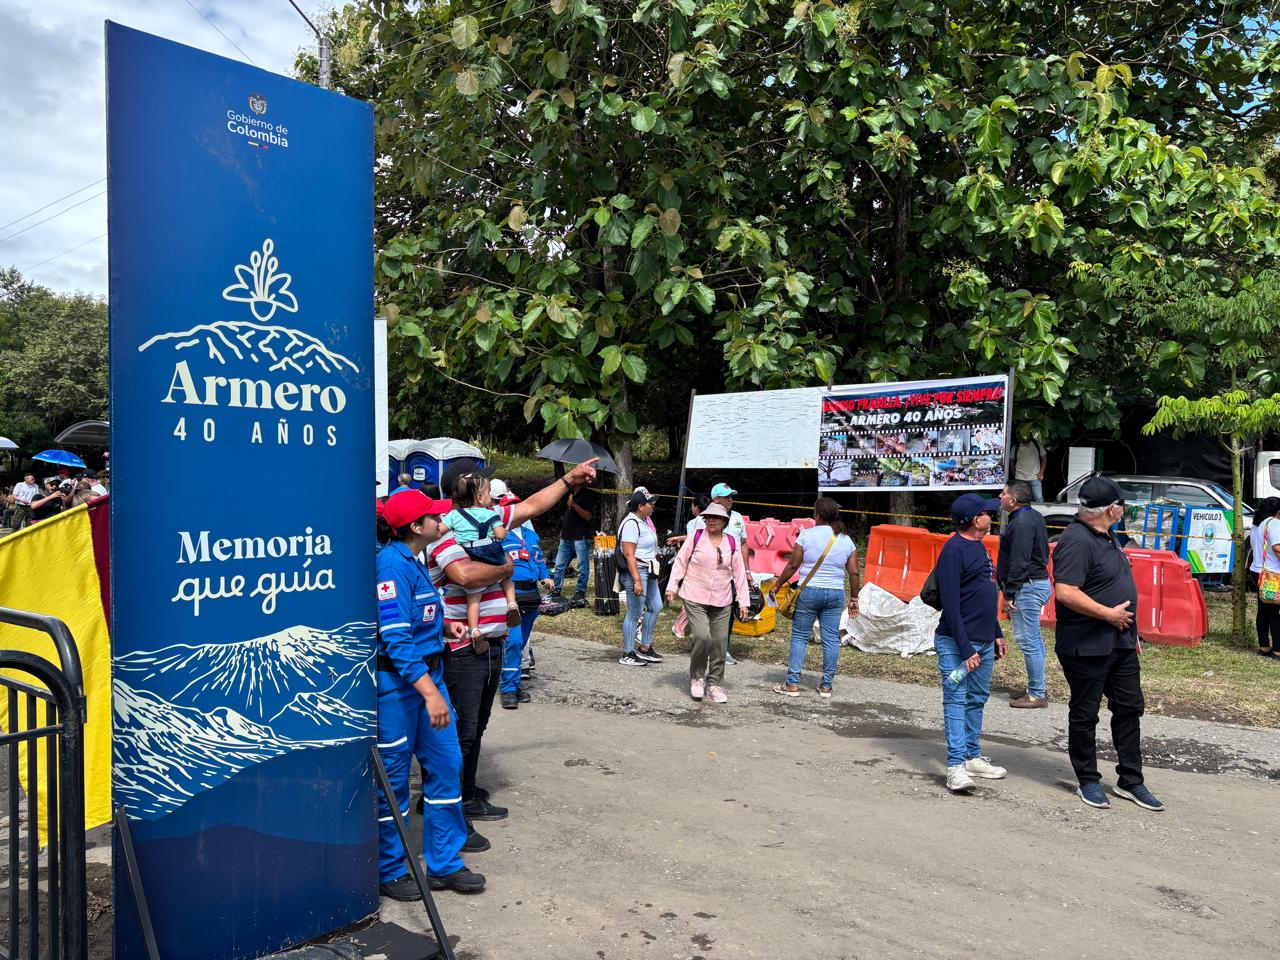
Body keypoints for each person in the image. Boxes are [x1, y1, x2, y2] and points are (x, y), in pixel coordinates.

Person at [426, 457, 599, 827]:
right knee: (463, 731)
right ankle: (449, 804)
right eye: (484, 484)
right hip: (461, 649)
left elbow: (532, 505)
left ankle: (464, 790)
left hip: (490, 643)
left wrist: (570, 478)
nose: (491, 490)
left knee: (477, 726)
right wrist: (506, 568)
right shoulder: (445, 532)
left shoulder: (488, 521)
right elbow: (466, 576)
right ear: (468, 490)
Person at [374, 489, 485, 898]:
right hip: (402, 691)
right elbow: (395, 638)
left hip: (427, 680)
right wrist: (431, 695)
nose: (442, 521)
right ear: (415, 528)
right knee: (395, 783)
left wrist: (443, 628)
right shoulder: (390, 565)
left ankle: (443, 863)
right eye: (434, 518)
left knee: (445, 767)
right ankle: (390, 870)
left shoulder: (416, 558)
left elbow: (415, 620)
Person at [1052, 475, 1164, 812]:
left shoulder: (1108, 536)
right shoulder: (1076, 541)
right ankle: (1088, 779)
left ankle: (1131, 780)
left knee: (1130, 708)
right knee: (1085, 714)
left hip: (1121, 642)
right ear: (1113, 509)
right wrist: (1107, 615)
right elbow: (1065, 591)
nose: (1124, 509)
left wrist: (1131, 633)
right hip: (1087, 645)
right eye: (1123, 504)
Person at [931, 493, 1008, 794]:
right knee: (956, 700)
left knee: (976, 699)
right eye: (988, 513)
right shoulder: (953, 551)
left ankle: (972, 756)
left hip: (984, 641)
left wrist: (997, 632)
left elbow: (983, 599)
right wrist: (966, 649)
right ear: (976, 520)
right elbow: (950, 604)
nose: (992, 516)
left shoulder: (980, 547)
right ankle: (955, 767)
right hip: (956, 642)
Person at [769, 497, 860, 699]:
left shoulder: (806, 535)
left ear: (817, 515)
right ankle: (826, 686)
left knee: (800, 636)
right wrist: (854, 597)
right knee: (830, 640)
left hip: (809, 591)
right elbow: (853, 573)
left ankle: (792, 683)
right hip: (835, 593)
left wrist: (778, 584)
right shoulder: (846, 539)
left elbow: (793, 565)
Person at [665, 503, 749, 703]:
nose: (711, 520)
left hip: (722, 598)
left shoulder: (730, 542)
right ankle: (697, 678)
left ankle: (714, 683)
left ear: (724, 522)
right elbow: (680, 562)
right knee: (702, 637)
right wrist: (672, 586)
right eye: (708, 517)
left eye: (716, 518)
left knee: (720, 643)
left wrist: (743, 601)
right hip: (695, 595)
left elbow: (738, 573)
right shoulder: (695, 538)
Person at [443, 474, 523, 641]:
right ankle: (512, 604)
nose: (490, 497)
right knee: (506, 576)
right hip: (491, 552)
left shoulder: (454, 515)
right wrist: (505, 531)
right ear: (479, 497)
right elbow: (500, 535)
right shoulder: (490, 514)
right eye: (488, 493)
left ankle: (474, 630)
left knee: (473, 598)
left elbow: (440, 529)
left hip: (470, 555)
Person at [494, 484, 553, 709]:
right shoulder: (499, 535)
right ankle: (507, 688)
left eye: (515, 505)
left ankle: (515, 685)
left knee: (520, 645)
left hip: (531, 594)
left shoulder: (530, 535)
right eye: (508, 506)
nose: (513, 509)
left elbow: (538, 560)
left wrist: (546, 576)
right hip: (511, 594)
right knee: (514, 640)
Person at [997, 479, 1051, 707]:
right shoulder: (1032, 516)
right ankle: (1035, 686)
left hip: (1026, 587)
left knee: (1028, 640)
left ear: (1013, 500)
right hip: (1032, 584)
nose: (1000, 496)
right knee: (1033, 639)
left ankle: (1037, 693)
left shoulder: (1021, 524)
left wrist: (1009, 593)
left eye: (1003, 493)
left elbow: (1019, 561)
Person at [617, 490, 665, 667]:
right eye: (650, 503)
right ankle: (628, 652)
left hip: (649, 570)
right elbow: (629, 554)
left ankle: (645, 647)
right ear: (640, 506)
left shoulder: (643, 522)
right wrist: (637, 580)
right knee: (634, 612)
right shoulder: (631, 523)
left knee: (655, 606)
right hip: (637, 571)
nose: (653, 506)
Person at [668, 494, 712, 639]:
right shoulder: (713, 523)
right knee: (697, 597)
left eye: (692, 505)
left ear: (696, 507)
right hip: (708, 564)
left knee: (694, 596)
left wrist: (680, 539)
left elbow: (692, 542)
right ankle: (683, 625)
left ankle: (681, 625)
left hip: (695, 563)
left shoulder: (693, 523)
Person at [551, 476, 597, 604]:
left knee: (582, 566)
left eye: (574, 479)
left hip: (580, 537)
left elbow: (588, 516)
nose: (571, 481)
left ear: (580, 481)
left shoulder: (586, 495)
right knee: (559, 565)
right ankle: (556, 590)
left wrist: (574, 505)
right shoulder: (571, 494)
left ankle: (580, 591)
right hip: (566, 537)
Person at [1249, 497, 1280, 657]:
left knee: (1264, 610)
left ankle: (1264, 647)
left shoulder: (1256, 524)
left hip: (1257, 571)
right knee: (1275, 611)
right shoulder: (1273, 523)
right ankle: (1277, 650)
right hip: (1272, 574)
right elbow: (1277, 548)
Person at [1012, 437, 1048, 502]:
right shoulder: (1016, 447)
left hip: (1035, 477)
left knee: (1039, 499)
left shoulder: (1037, 445)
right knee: (1021, 500)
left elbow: (1044, 458)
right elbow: (1011, 461)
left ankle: (1040, 512)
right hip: (1020, 478)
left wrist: (1041, 473)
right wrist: (1014, 474)